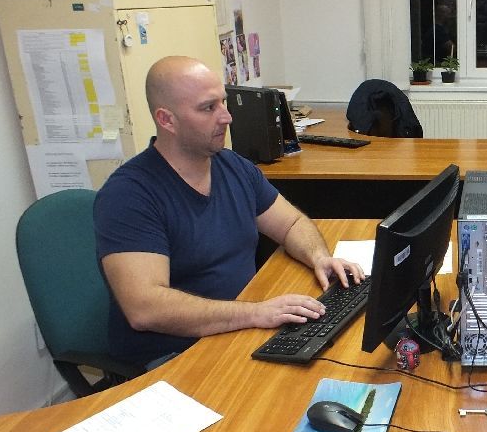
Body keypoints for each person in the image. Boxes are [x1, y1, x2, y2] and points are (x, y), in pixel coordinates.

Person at [94, 56, 364, 370]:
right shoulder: (129, 195)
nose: (226, 117)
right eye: (208, 108)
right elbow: (146, 309)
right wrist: (256, 313)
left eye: (223, 102)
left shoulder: (232, 165)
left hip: (239, 327)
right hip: (175, 356)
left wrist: (319, 257)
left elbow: (291, 223)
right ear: (167, 120)